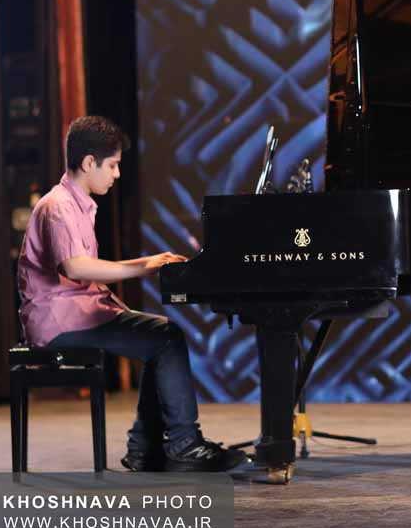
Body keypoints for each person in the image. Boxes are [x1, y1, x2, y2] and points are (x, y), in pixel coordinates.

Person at [16, 115, 247, 472]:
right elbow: (75, 268)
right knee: (166, 338)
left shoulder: (75, 203)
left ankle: (145, 449)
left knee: (162, 338)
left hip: (75, 315)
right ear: (88, 163)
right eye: (112, 165)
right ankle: (183, 444)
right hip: (59, 324)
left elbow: (84, 266)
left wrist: (150, 262)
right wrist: (143, 267)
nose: (117, 174)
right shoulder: (58, 206)